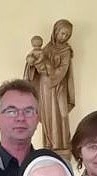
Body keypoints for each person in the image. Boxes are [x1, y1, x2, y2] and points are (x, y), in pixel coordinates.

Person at [26, 19, 75, 154]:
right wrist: (31, 63)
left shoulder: (66, 51)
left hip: (59, 86)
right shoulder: (46, 49)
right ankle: (49, 143)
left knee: (62, 114)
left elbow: (62, 70)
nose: (64, 37)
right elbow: (34, 68)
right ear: (55, 32)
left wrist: (47, 66)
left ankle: (63, 144)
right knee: (48, 114)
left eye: (67, 35)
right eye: (62, 33)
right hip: (45, 86)